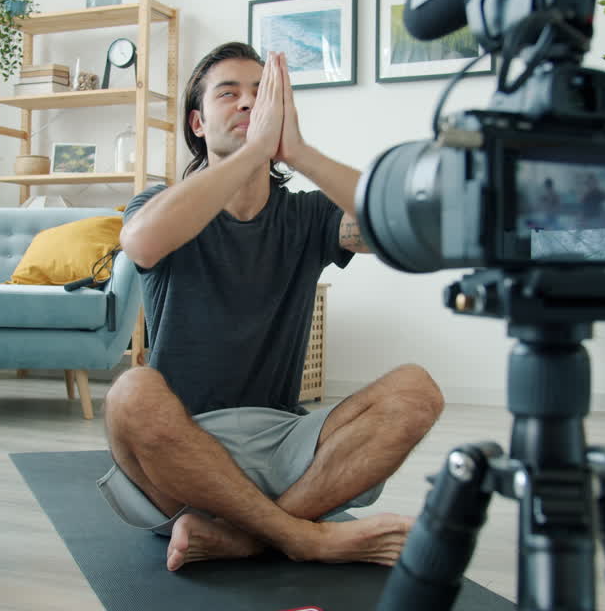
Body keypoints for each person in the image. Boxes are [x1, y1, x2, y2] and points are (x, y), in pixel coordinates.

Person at [99, 42, 444, 572]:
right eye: (229, 93)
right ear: (197, 122)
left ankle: (244, 537)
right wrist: (253, 153)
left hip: (285, 445)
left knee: (416, 391)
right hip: (179, 450)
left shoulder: (307, 216)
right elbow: (141, 244)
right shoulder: (161, 205)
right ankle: (303, 538)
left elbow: (401, 224)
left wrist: (297, 152)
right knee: (130, 392)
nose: (247, 104)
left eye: (261, 95)